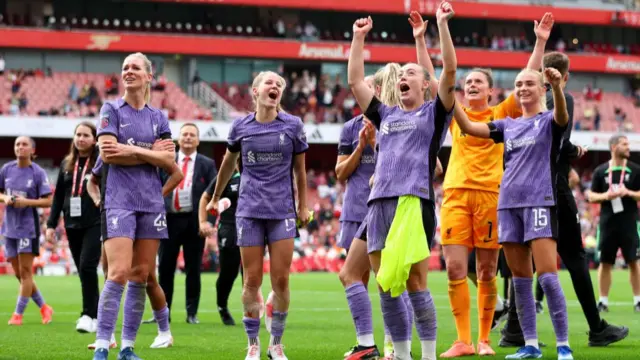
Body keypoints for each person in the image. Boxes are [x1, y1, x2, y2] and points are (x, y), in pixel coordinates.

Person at [347, 2, 457, 359]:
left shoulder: (434, 113)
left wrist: (438, 27)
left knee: (416, 284)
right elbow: (354, 81)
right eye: (402, 74)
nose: (405, 77)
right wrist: (358, 38)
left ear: (426, 84)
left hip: (415, 202)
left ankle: (426, 355)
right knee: (385, 286)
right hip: (378, 203)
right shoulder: (386, 114)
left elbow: (450, 70)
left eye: (413, 73)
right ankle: (404, 355)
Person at [500, 51, 629, 348]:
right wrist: (574, 151)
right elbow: (557, 140)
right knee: (573, 256)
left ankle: (514, 330)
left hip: (524, 187)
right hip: (552, 186)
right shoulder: (562, 99)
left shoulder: (523, 108)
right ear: (564, 76)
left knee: (525, 262)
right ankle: (596, 329)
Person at [453, 66, 573, 359]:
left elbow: (562, 118)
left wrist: (557, 87)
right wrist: (448, 97)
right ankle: (530, 344)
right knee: (520, 279)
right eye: (518, 84)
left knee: (546, 276)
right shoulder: (507, 124)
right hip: (507, 205)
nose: (522, 88)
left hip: (539, 203)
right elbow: (469, 128)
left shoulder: (548, 121)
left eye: (529, 83)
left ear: (541, 90)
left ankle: (563, 345)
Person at [209, 70, 310, 360]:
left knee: (281, 282)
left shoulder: (293, 125)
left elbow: (300, 171)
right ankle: (252, 343)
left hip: (282, 213)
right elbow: (228, 165)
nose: (275, 86)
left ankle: (275, 344)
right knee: (251, 281)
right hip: (249, 212)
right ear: (256, 91)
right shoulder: (240, 127)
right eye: (270, 82)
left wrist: (303, 206)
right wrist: (215, 197)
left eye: (280, 84)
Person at [91, 52, 182, 360]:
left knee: (141, 275)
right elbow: (108, 154)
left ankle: (127, 348)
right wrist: (148, 152)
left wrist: (129, 149)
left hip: (151, 204)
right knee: (117, 273)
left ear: (148, 76)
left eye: (135, 68)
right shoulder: (111, 109)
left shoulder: (159, 117)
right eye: (125, 67)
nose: (128, 71)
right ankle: (102, 345)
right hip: (119, 202)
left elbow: (169, 161)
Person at [149, 122, 217, 325]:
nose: (188, 137)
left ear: (198, 140)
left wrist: (209, 222)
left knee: (193, 269)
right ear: (178, 139)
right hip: (169, 219)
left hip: (194, 222)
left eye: (192, 135)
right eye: (184, 134)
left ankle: (191, 312)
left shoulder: (207, 164)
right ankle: (162, 313)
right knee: (166, 268)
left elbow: (214, 194)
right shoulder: (167, 160)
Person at [45, 121, 101, 333]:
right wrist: (51, 224)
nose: (80, 139)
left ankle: (87, 314)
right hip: (72, 223)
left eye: (86, 135)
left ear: (94, 139)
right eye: (78, 135)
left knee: (87, 266)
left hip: (95, 222)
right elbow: (59, 196)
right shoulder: (67, 163)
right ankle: (94, 314)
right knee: (83, 270)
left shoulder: (101, 163)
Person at [3, 136, 54, 326]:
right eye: (17, 144)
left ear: (32, 149)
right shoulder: (6, 169)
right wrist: (5, 199)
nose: (20, 147)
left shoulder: (38, 172)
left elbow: (48, 200)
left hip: (28, 228)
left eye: (24, 144)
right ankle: (44, 307)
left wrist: (26, 202)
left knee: (25, 272)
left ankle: (18, 315)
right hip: (9, 228)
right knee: (18, 274)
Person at [588, 134, 640, 313]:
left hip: (630, 223)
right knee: (605, 262)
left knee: (634, 261)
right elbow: (591, 196)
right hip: (608, 223)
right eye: (624, 144)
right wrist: (606, 196)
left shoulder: (635, 169)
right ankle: (602, 301)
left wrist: (628, 192)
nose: (628, 147)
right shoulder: (601, 171)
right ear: (613, 147)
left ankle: (638, 300)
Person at [199, 158, 242, 326]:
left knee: (251, 273)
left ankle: (251, 310)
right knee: (229, 273)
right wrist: (203, 221)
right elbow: (205, 197)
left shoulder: (257, 176)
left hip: (253, 228)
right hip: (229, 228)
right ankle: (222, 306)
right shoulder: (226, 176)